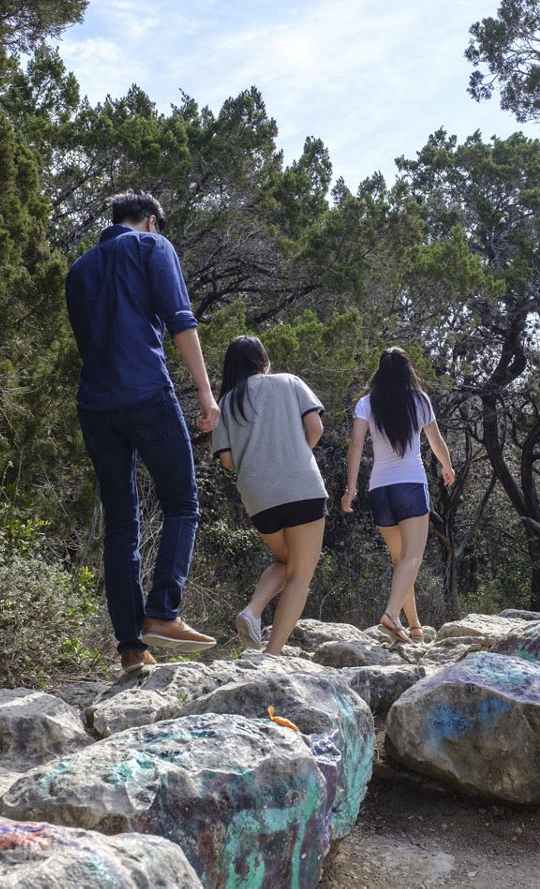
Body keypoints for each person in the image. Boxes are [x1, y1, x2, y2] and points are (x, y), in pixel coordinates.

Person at [65, 190, 220, 674]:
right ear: (151, 221)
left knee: (121, 523)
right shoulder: (154, 247)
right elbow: (180, 321)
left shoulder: (79, 270)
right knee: (182, 502)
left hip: (95, 404)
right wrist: (206, 393)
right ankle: (163, 611)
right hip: (147, 394)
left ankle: (132, 648)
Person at [212, 336, 328, 655]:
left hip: (258, 497)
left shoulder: (225, 403)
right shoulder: (288, 382)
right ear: (263, 359)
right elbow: (315, 428)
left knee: (288, 560)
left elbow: (227, 460)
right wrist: (292, 456)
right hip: (301, 486)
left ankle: (252, 611)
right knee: (301, 573)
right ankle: (272, 654)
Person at [341, 347, 454, 643]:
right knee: (413, 557)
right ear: (408, 371)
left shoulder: (366, 403)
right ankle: (391, 615)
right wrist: (447, 466)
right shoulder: (419, 400)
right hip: (411, 486)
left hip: (380, 489)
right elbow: (436, 440)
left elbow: (355, 446)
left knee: (401, 561)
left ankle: (414, 625)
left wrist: (350, 488)